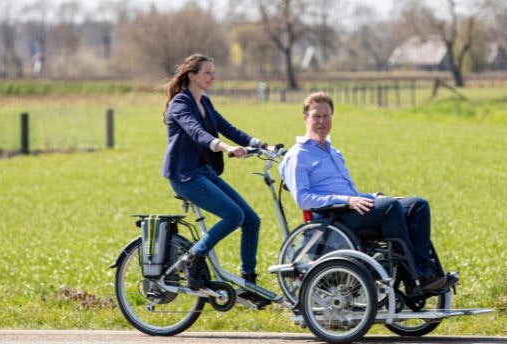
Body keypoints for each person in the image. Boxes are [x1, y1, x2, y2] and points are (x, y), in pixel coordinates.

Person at [278, 92, 458, 298]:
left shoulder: (333, 152)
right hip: (333, 219)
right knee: (390, 207)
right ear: (305, 118)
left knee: (418, 205)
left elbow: (349, 192)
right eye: (316, 116)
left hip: (352, 207)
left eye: (326, 116)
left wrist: (372, 196)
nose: (321, 122)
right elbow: (304, 199)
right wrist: (347, 200)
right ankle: (413, 280)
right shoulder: (297, 155)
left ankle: (425, 274)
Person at [161, 54, 266, 292]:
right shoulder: (181, 103)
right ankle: (193, 258)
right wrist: (226, 147)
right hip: (185, 175)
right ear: (192, 75)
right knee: (233, 216)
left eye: (214, 72)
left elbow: (227, 128)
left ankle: (248, 282)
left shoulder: (204, 101)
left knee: (252, 220)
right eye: (207, 72)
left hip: (205, 171)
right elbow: (197, 132)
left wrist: (261, 144)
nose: (213, 77)